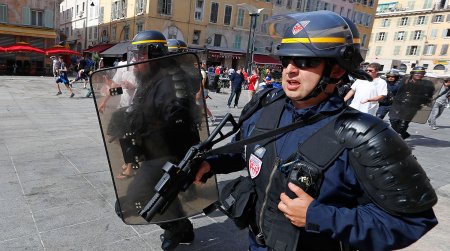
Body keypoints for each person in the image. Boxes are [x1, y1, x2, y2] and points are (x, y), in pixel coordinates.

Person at [194, 11, 437, 251]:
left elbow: (411, 221)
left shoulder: (364, 135)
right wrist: (213, 163)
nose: (290, 69)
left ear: (338, 70)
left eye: (305, 61)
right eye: (286, 60)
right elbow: (244, 148)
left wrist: (318, 216)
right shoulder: (266, 107)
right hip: (257, 244)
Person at [106, 30, 198, 251]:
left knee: (134, 201)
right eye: (135, 55)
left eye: (140, 55)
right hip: (152, 152)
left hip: (167, 154)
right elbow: (143, 108)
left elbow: (177, 119)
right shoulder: (151, 79)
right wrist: (124, 120)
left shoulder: (172, 79)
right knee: (152, 196)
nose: (136, 61)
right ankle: (180, 227)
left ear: (155, 54)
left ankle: (177, 227)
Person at [390, 66, 435, 139]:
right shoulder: (404, 80)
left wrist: (424, 100)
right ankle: (404, 134)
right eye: (417, 73)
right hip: (399, 104)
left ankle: (398, 138)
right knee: (393, 120)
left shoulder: (426, 84)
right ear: (412, 73)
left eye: (421, 73)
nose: (419, 75)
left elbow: (429, 95)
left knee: (404, 122)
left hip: (413, 106)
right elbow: (395, 90)